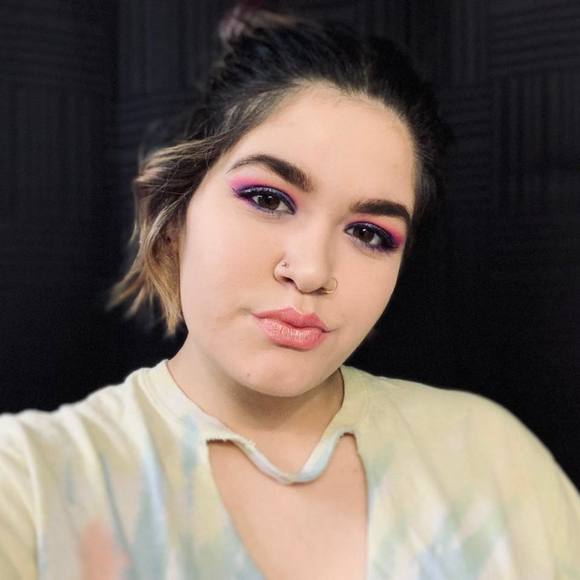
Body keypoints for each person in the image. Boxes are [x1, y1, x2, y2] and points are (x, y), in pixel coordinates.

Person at [1, 6, 579, 580]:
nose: (311, 271)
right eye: (268, 199)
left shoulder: (489, 455)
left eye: (369, 234)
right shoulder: (29, 480)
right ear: (175, 216)